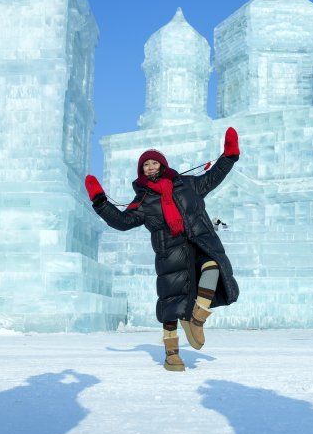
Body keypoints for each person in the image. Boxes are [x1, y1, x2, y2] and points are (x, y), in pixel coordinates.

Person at [85, 127, 241, 372]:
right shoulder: (143, 202)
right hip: (171, 256)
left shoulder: (188, 185)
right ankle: (171, 355)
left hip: (200, 244)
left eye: (153, 162)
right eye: (145, 165)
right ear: (141, 171)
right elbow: (122, 221)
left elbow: (213, 177)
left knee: (212, 268)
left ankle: (198, 317)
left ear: (162, 165)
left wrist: (229, 155)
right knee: (171, 306)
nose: (150, 167)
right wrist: (100, 201)